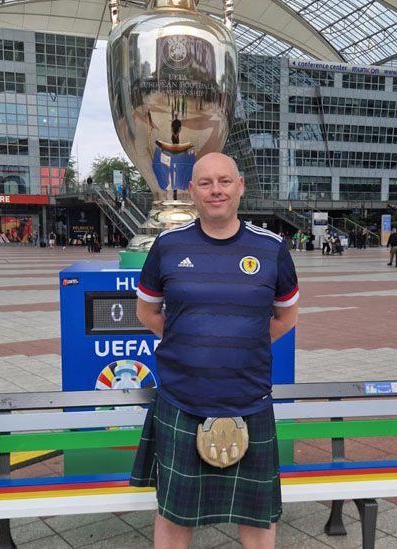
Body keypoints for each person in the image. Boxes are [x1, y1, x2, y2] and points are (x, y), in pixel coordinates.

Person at [132, 153, 299, 549]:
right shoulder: (168, 245)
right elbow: (147, 311)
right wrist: (188, 344)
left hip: (249, 402)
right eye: (205, 183)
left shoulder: (272, 248)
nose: (216, 190)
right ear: (192, 191)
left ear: (240, 185)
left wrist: (243, 344)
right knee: (173, 515)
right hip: (181, 402)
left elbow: (285, 318)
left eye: (224, 181)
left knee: (257, 518)